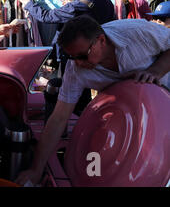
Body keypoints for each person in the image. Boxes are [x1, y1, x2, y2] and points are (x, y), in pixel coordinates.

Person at [16, 15, 170, 186]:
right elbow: (59, 118)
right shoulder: (74, 70)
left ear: (101, 40)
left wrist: (156, 71)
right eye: (72, 57)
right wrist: (36, 169)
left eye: (83, 55)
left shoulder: (137, 32)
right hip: (128, 127)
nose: (79, 63)